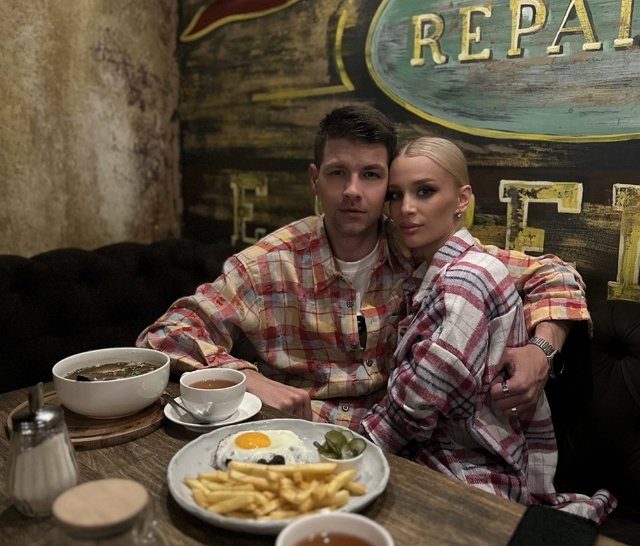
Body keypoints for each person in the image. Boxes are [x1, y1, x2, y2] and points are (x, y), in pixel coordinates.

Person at [136, 105, 589, 430]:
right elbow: (163, 336)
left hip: (405, 445)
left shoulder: (420, 252)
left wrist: (542, 350)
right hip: (300, 438)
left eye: (371, 175)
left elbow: (555, 274)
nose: (353, 191)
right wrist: (248, 380)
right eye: (338, 173)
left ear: (387, 184)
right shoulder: (269, 264)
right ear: (315, 180)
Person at [360, 137, 614, 521]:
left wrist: (541, 349)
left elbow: (422, 394)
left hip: (461, 468)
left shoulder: (465, 276)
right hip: (468, 455)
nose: (406, 208)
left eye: (425, 191)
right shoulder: (440, 265)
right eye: (395, 195)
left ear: (462, 199)